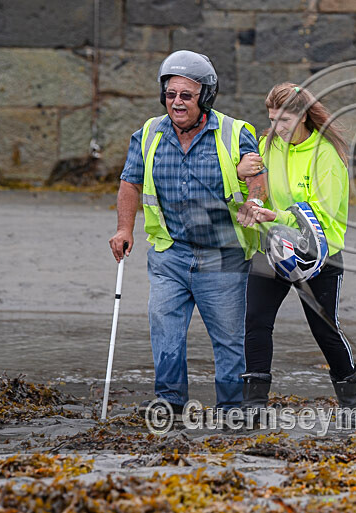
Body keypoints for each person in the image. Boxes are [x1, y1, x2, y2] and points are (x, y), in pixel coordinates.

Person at [108, 50, 268, 417]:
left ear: (205, 96)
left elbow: (257, 179)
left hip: (223, 255)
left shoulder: (236, 132)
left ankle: (232, 409)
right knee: (166, 334)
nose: (176, 102)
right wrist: (123, 228)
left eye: (186, 95)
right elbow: (130, 182)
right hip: (170, 254)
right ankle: (170, 402)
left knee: (229, 341)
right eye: (170, 94)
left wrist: (254, 203)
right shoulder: (148, 134)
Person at [238, 83, 356, 419]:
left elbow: (323, 213)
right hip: (275, 247)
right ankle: (253, 407)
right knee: (256, 321)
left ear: (304, 116)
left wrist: (275, 215)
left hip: (320, 255)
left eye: (285, 120)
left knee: (325, 330)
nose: (278, 128)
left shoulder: (326, 155)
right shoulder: (267, 146)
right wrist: (252, 198)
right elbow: (257, 188)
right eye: (273, 120)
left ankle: (352, 405)